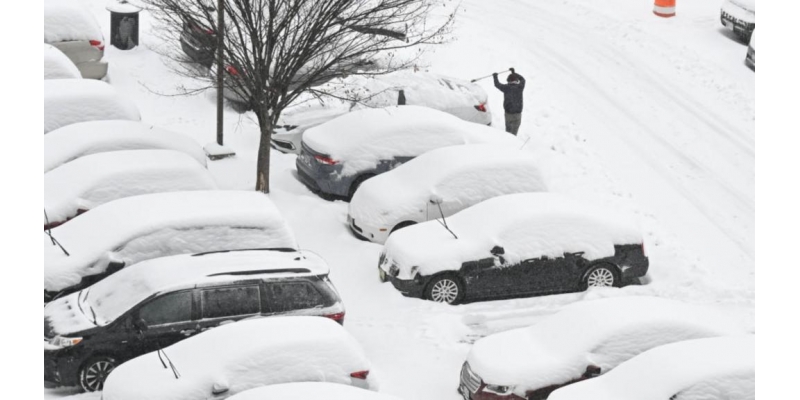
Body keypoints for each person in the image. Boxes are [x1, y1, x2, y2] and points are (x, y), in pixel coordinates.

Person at [493, 68, 525, 135]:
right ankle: (514, 142)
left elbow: (497, 84)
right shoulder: (520, 87)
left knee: (508, 133)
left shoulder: (506, 87)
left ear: (508, 80)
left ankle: (508, 142)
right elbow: (523, 79)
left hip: (508, 114)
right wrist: (514, 73)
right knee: (514, 133)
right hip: (518, 114)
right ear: (516, 80)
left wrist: (495, 76)